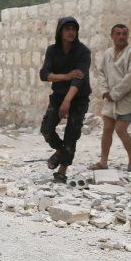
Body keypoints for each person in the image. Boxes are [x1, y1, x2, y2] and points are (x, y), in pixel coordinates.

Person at [39, 16, 91, 183]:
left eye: (73, 29)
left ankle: (61, 172)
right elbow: (44, 75)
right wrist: (66, 76)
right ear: (60, 31)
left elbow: (79, 79)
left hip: (78, 97)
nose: (71, 32)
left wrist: (68, 101)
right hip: (58, 96)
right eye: (67, 28)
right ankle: (60, 151)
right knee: (47, 129)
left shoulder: (83, 52)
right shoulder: (52, 50)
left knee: (71, 135)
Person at [91, 23, 131, 171]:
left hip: (128, 99)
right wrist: (105, 91)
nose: (121, 36)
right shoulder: (108, 53)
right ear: (112, 36)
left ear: (127, 36)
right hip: (110, 99)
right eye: (118, 33)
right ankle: (103, 162)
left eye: (124, 34)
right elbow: (101, 72)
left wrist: (115, 94)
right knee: (107, 128)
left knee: (121, 129)